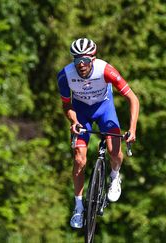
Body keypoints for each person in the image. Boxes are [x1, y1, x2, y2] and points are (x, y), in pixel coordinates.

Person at [57, 37, 140, 229]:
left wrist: (132, 128)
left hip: (105, 109)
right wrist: (74, 121)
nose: (81, 65)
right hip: (81, 113)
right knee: (79, 159)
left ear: (93, 59)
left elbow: (132, 99)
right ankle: (78, 207)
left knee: (114, 150)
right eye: (77, 61)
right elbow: (66, 105)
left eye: (85, 60)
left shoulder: (106, 70)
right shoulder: (65, 76)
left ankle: (115, 175)